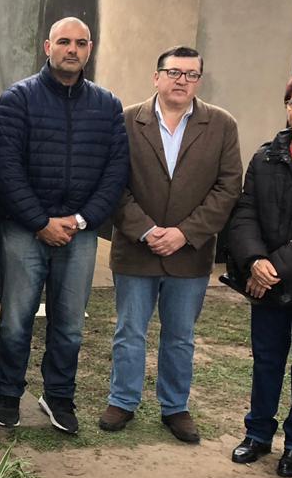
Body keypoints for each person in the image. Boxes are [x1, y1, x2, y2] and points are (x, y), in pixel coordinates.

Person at [0, 17, 128, 434]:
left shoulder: (107, 104)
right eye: (64, 42)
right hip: (24, 230)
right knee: (16, 319)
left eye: (80, 43)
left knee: (69, 322)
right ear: (47, 46)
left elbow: (116, 169)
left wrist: (82, 219)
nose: (72, 49)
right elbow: (6, 168)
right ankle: (9, 393)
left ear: (90, 49)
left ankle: (59, 396)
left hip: (80, 233)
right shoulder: (18, 99)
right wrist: (39, 221)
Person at [101, 46, 241, 443]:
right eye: (173, 72)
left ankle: (175, 406)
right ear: (156, 77)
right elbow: (113, 183)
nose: (181, 80)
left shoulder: (221, 125)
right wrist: (145, 230)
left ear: (199, 80)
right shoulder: (126, 121)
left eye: (191, 74)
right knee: (130, 331)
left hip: (190, 252)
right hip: (136, 248)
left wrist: (185, 233)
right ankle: (122, 401)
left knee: (180, 334)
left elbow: (228, 187)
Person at [226, 71, 292, 478]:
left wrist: (276, 266)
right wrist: (255, 259)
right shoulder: (266, 156)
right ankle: (257, 434)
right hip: (266, 279)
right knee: (266, 359)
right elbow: (245, 212)